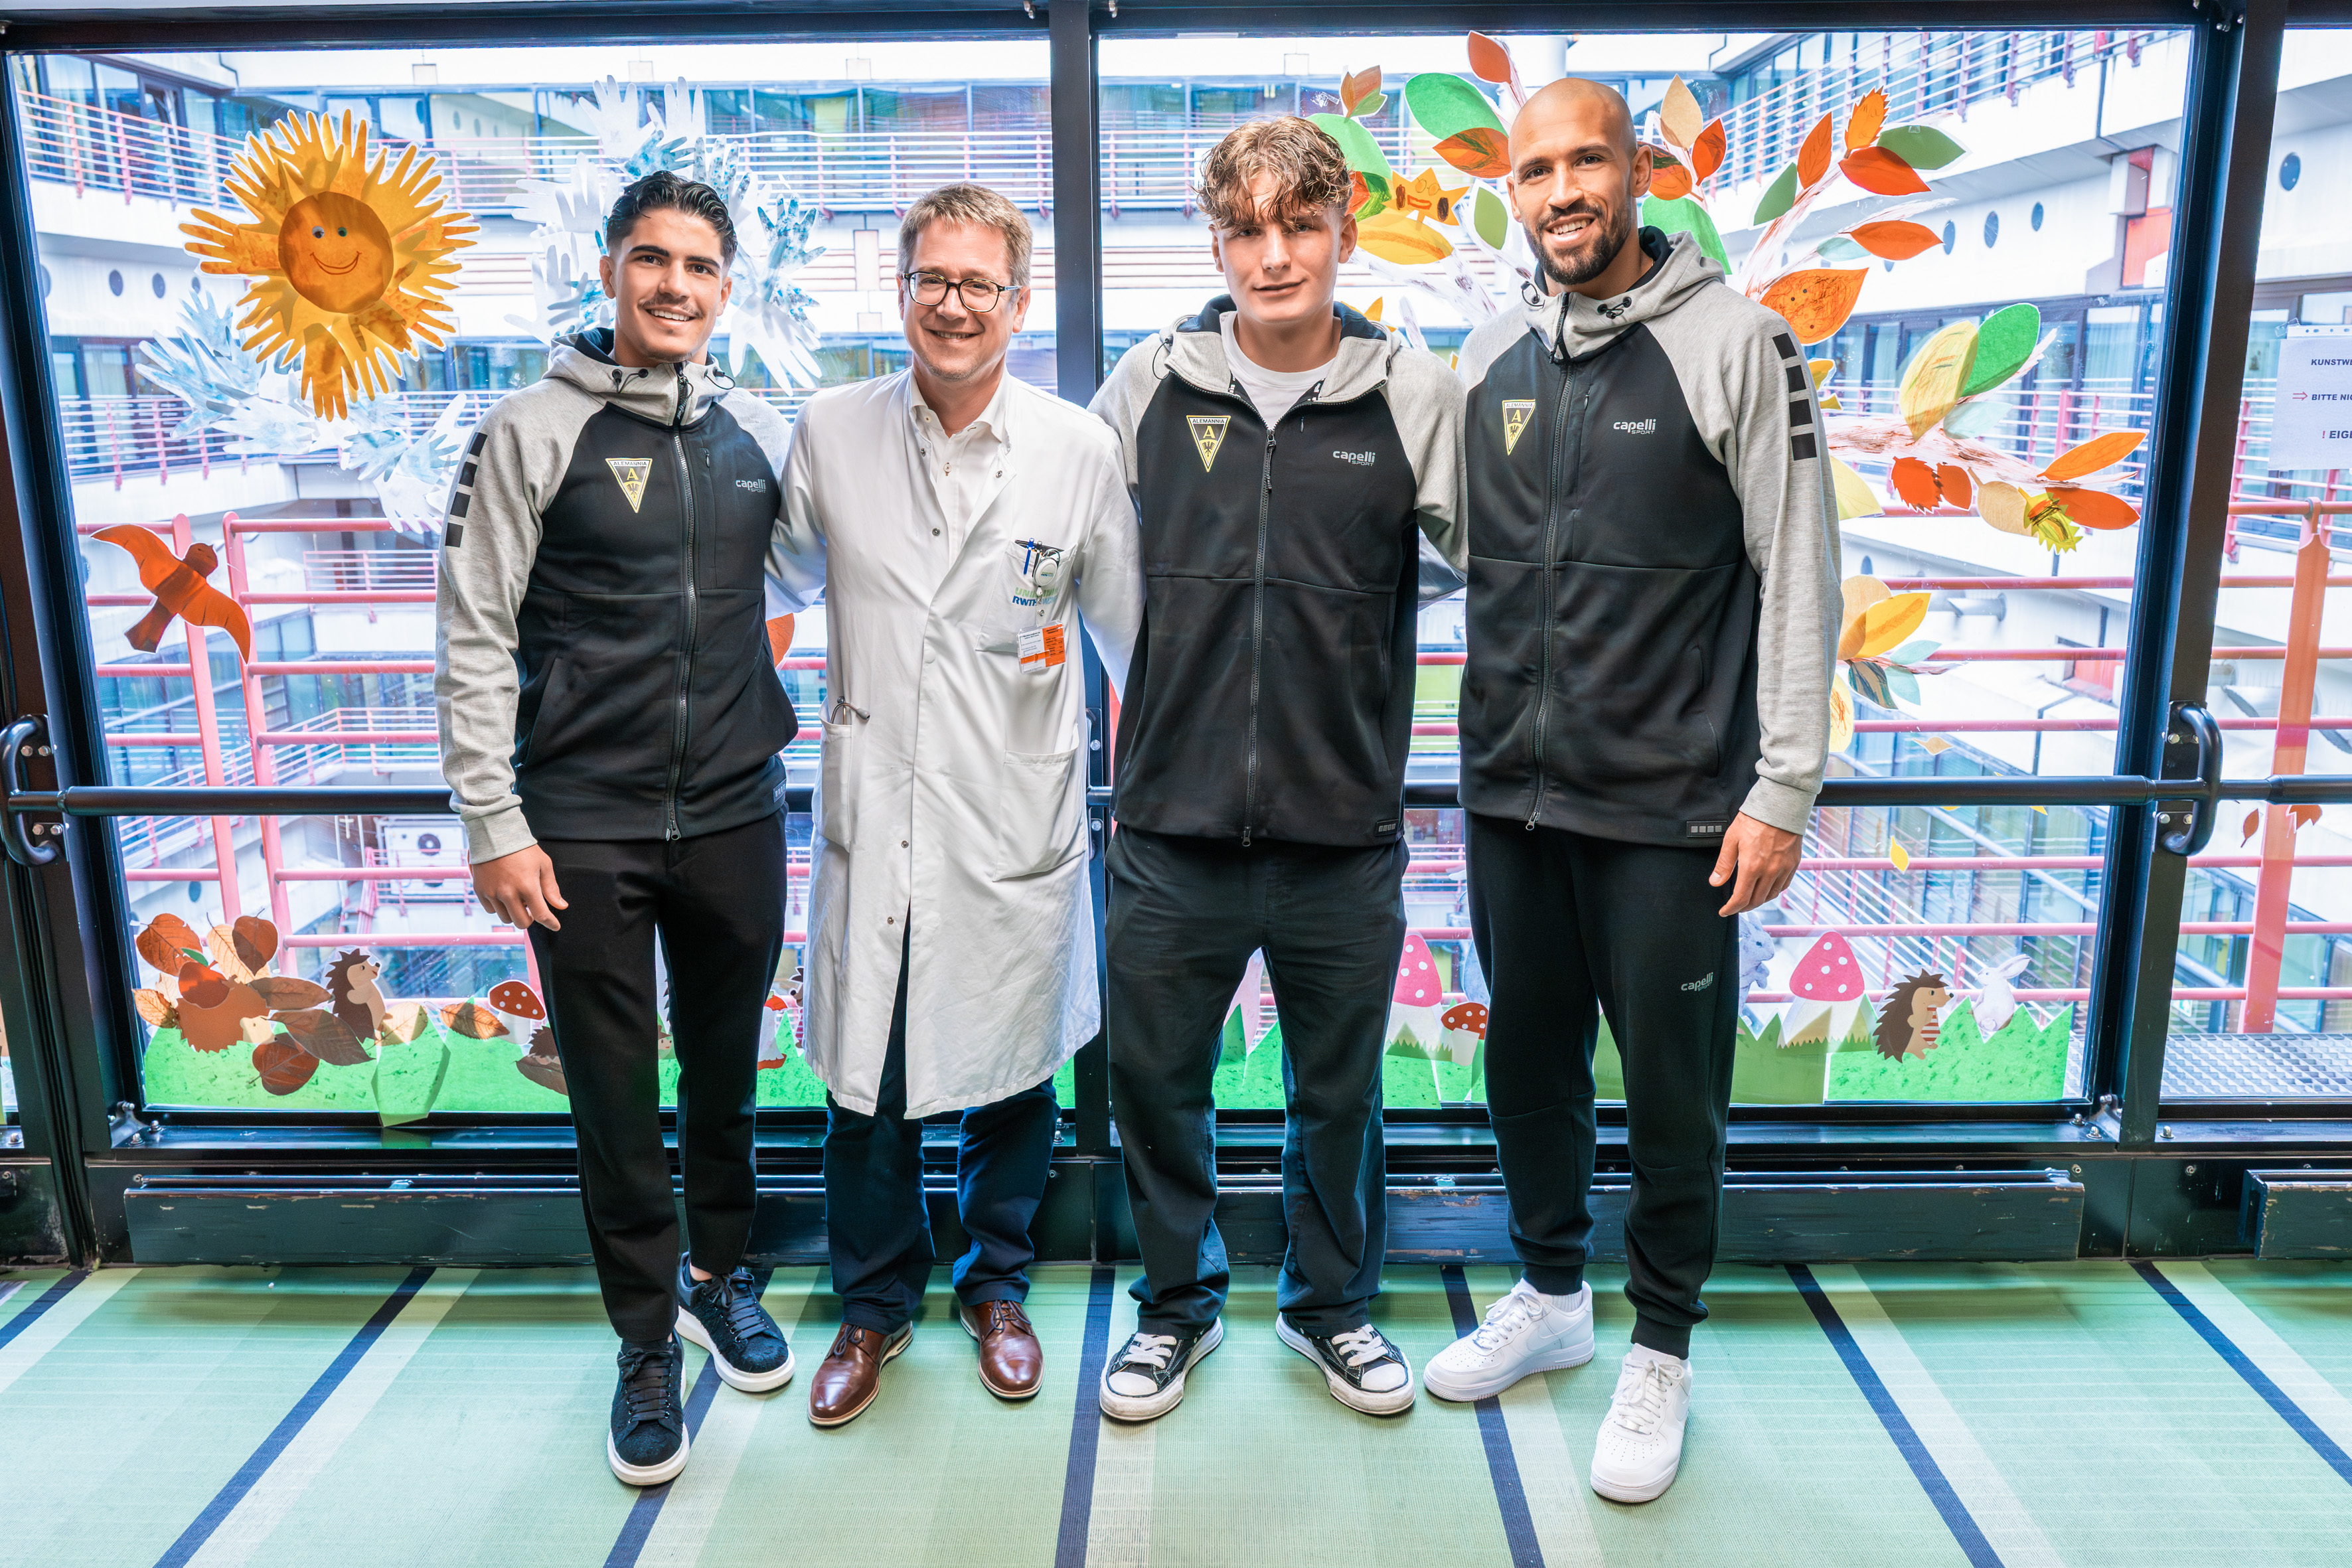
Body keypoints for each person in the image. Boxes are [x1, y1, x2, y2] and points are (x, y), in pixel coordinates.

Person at [1421, 79, 1839, 1505]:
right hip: (1511, 795)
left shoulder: (1737, 343)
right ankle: (1550, 1293)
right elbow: (1451, 550)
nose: (1562, 191)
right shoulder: (1485, 355)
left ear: (1638, 172)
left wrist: (1783, 784)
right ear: (1514, 193)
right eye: (1536, 170)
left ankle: (1661, 1343)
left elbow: (1799, 568)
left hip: (1675, 808)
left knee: (1670, 1089)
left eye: (1586, 160)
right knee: (1526, 1062)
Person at [1088, 118, 1464, 1422]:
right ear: (1216, 245)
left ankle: (1332, 1308)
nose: (1273, 255)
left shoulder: (1410, 394)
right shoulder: (1148, 383)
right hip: (1167, 829)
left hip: (1340, 834)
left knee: (1338, 1095)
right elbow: (1061, 544)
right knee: (1156, 1089)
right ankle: (1174, 1309)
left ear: (1342, 232)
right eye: (1245, 229)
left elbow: (1506, 563)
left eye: (1299, 225)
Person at [437, 170, 799, 1486]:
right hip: (580, 824)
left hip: (736, 809)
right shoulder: (529, 430)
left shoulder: (757, 428)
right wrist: (492, 816)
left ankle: (719, 1277)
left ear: (725, 289)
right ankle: (644, 1341)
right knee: (613, 1096)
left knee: (726, 1072)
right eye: (652, 259)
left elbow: (835, 565)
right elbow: (472, 631)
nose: (674, 286)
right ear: (609, 271)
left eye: (699, 267)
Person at [771, 183, 1142, 1429]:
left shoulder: (1076, 451)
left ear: (1020, 304)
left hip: (1013, 821)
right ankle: (873, 1305)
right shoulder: (832, 431)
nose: (953, 305)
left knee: (1013, 1079)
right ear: (902, 292)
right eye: (932, 279)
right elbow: (761, 583)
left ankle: (996, 1288)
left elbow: (1133, 644)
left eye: (980, 284)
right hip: (879, 814)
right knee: (865, 1085)